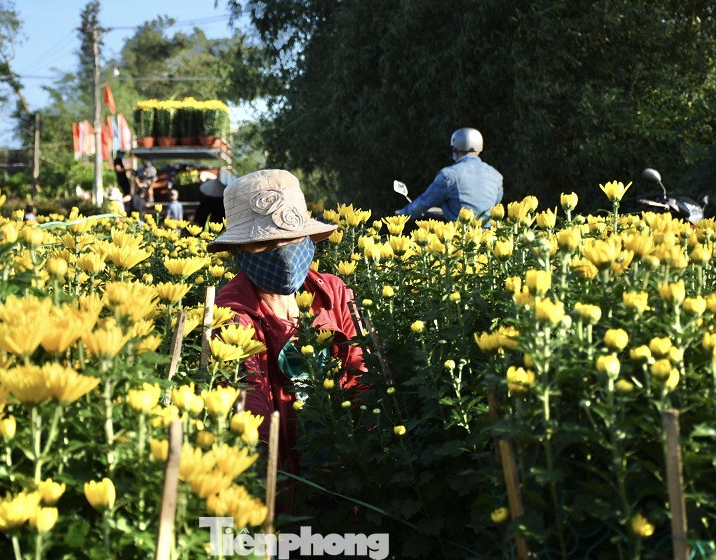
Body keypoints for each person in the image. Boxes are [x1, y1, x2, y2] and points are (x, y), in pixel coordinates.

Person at [208, 169, 367, 475]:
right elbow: (250, 402)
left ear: (307, 238)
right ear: (237, 253)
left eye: (290, 239)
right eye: (262, 244)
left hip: (349, 471)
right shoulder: (230, 313)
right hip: (286, 480)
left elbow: (361, 371)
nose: (281, 254)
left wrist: (365, 448)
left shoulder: (334, 292)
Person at [397, 127, 503, 222]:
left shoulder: (448, 176)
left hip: (461, 237)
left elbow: (424, 202)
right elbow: (495, 205)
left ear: (454, 149)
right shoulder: (496, 175)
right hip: (489, 237)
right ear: (479, 150)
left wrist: (402, 214)